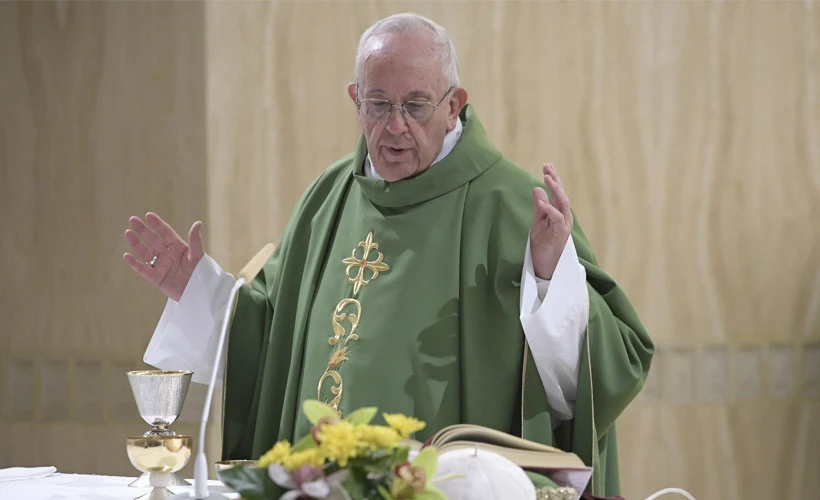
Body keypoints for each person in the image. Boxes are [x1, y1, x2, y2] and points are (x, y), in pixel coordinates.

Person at [123, 13, 653, 497]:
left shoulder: (517, 206)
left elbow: (606, 371)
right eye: (378, 104)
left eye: (416, 105)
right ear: (355, 100)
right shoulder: (327, 198)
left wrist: (548, 278)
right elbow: (271, 340)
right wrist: (198, 290)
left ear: (454, 105)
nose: (395, 125)